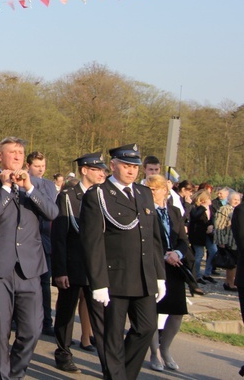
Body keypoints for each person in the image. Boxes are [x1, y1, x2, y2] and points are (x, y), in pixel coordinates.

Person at [0, 137, 59, 379]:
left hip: (30, 266)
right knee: (0, 332)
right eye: (11, 152)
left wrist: (29, 188)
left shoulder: (40, 185)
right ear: (0, 156)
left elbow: (52, 213)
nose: (17, 156)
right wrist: (5, 188)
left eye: (20, 152)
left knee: (32, 330)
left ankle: (15, 374)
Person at [80, 144, 166, 380]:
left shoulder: (144, 193)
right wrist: (98, 282)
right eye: (126, 166)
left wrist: (159, 275)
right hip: (114, 277)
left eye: (135, 166)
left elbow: (153, 239)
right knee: (113, 336)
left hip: (143, 276)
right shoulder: (98, 194)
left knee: (147, 328)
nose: (131, 171)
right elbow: (92, 241)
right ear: (113, 165)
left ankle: (122, 376)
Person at [51, 152, 108, 374]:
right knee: (66, 311)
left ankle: (106, 359)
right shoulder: (67, 196)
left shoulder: (105, 196)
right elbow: (60, 237)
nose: (102, 173)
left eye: (103, 169)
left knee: (100, 314)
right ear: (84, 170)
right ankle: (63, 352)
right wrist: (60, 270)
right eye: (97, 169)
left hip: (96, 267)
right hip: (73, 264)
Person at [145, 175, 188, 372]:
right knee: (153, 311)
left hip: (175, 266)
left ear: (165, 190)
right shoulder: (144, 211)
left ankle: (166, 348)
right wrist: (163, 255)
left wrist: (176, 253)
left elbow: (182, 239)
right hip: (154, 266)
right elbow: (147, 241)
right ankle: (154, 353)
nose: (151, 192)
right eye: (149, 189)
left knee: (177, 311)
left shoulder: (175, 212)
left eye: (155, 189)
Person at [26, 150, 58, 337]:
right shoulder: (21, 183)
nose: (40, 170)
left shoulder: (49, 185)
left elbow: (49, 207)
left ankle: (46, 320)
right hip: (26, 239)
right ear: (28, 166)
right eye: (37, 166)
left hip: (44, 239)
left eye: (43, 166)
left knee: (44, 283)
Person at [188, 190, 218, 284]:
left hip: (208, 234)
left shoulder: (211, 208)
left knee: (213, 251)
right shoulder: (195, 207)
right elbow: (195, 217)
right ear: (203, 200)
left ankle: (207, 273)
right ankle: (196, 275)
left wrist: (212, 225)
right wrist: (202, 208)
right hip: (197, 235)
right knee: (199, 255)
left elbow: (212, 218)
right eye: (208, 198)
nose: (210, 200)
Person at [214, 192, 240, 291]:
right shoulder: (224, 209)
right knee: (231, 264)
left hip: (235, 241)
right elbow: (219, 226)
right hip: (228, 240)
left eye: (238, 200)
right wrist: (220, 241)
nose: (236, 201)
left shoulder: (236, 209)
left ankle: (229, 282)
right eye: (234, 199)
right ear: (229, 200)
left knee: (234, 263)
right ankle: (230, 283)